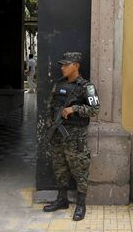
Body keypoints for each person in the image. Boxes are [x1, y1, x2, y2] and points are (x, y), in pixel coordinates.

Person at [43, 52, 100, 221]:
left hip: (76, 138)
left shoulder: (86, 87)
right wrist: (51, 124)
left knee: (80, 170)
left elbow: (95, 110)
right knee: (60, 168)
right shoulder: (58, 84)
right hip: (58, 134)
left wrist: (74, 109)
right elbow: (50, 106)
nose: (62, 68)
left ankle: (81, 205)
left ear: (76, 65)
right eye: (62, 65)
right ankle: (62, 200)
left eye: (65, 65)